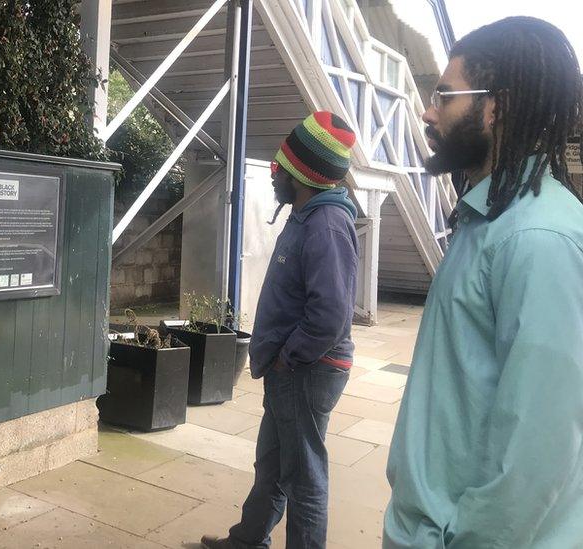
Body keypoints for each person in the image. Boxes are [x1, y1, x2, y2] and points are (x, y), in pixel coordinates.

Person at [384, 16, 583, 548]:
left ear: (498, 106)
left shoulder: (538, 238)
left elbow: (538, 450)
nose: (428, 111)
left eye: (444, 96)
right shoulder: (485, 217)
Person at [202, 111, 360, 549]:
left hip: (307, 370)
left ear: (302, 173)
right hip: (290, 368)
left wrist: (291, 356)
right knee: (272, 463)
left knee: (304, 476)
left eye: (280, 168)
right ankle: (248, 539)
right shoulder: (306, 214)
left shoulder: (326, 225)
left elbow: (330, 314)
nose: (274, 176)